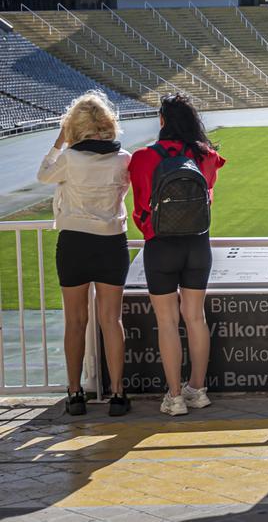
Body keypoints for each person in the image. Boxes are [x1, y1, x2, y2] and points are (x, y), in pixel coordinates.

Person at [36, 91, 133, 416]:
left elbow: (44, 174)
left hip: (75, 241)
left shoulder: (70, 158)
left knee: (75, 321)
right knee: (111, 320)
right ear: (108, 124)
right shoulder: (124, 158)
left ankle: (75, 393)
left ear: (73, 126)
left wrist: (59, 141)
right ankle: (118, 394)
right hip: (110, 242)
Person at [129, 94, 226, 416]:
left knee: (167, 322)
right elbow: (209, 195)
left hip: (160, 246)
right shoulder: (206, 156)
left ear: (162, 121)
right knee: (196, 318)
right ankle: (198, 389)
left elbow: (141, 206)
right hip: (197, 244)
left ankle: (174, 396)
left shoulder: (143, 157)